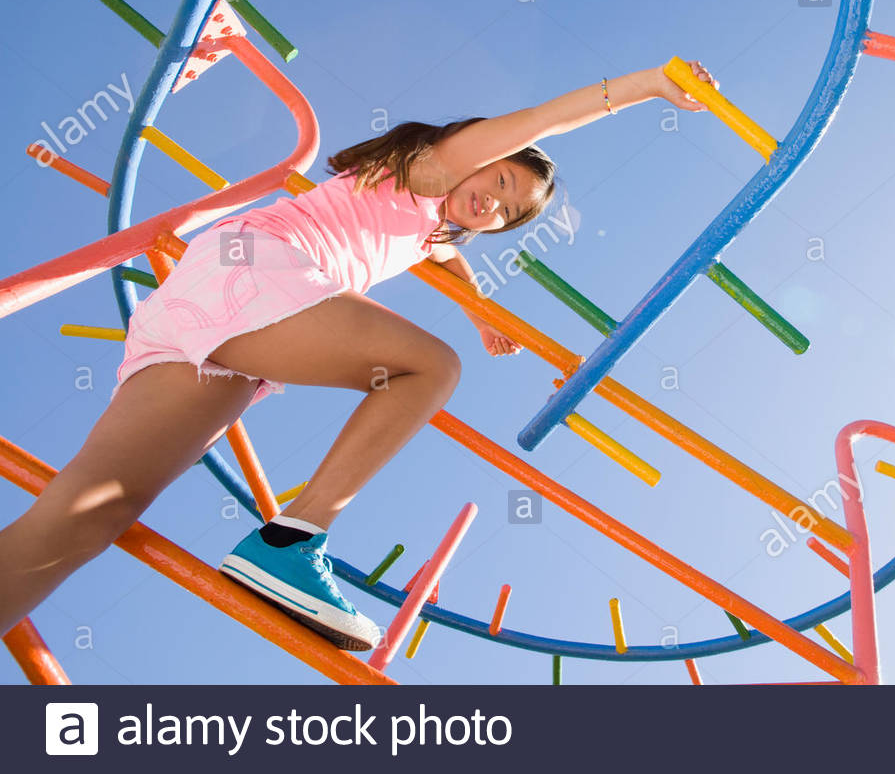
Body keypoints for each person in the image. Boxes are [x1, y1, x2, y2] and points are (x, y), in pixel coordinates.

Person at [0, 60, 718, 650]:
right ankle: (290, 540)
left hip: (215, 322)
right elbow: (541, 122)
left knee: (89, 514)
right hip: (257, 274)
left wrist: (476, 311)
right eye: (499, 182)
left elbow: (448, 259)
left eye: (510, 213)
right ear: (473, 151)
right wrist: (642, 87)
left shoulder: (428, 224)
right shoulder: (427, 167)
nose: (495, 207)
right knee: (429, 368)